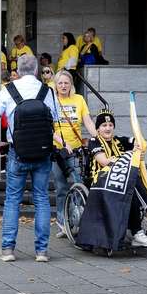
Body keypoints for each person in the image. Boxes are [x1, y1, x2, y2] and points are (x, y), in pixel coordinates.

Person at [0, 54, 63, 262]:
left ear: (18, 70)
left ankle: (8, 250)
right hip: (42, 152)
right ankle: (41, 251)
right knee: (41, 198)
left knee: (12, 199)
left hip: (17, 152)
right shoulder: (47, 91)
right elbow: (54, 121)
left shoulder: (7, 90)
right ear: (37, 70)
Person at [87, 110, 147, 247]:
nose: (107, 128)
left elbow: (137, 141)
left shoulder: (119, 141)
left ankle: (139, 233)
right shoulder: (94, 141)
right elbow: (104, 161)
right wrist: (129, 157)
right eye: (104, 125)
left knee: (131, 182)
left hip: (121, 181)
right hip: (101, 182)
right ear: (98, 128)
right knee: (131, 178)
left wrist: (137, 149)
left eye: (110, 125)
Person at [51, 69, 97, 238]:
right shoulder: (51, 101)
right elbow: (48, 127)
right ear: (55, 85)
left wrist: (99, 137)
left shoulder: (79, 100)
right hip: (56, 151)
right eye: (60, 83)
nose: (63, 86)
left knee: (79, 183)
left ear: (71, 85)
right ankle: (63, 224)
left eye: (66, 83)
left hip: (75, 151)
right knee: (61, 187)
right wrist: (62, 142)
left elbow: (88, 122)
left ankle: (79, 219)